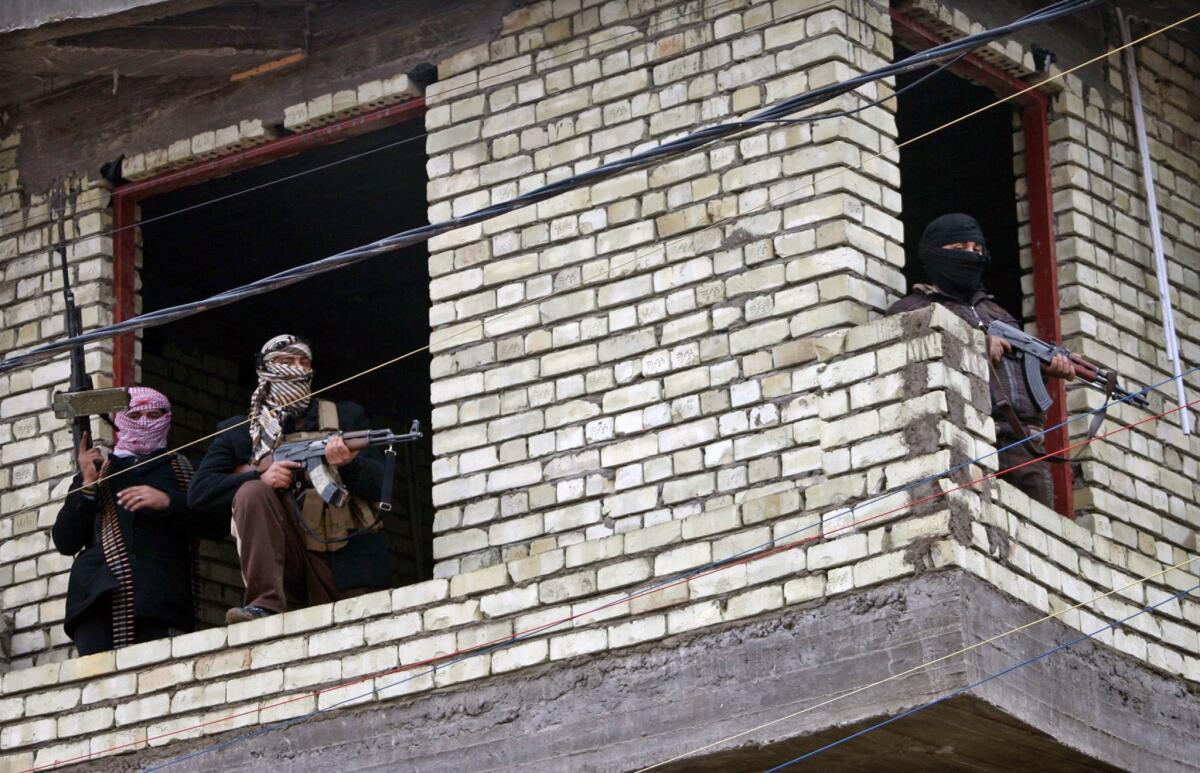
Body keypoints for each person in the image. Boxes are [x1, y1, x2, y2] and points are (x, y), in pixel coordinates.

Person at [188, 334, 391, 624]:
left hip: (345, 558)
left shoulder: (346, 417)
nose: (297, 369)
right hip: (290, 558)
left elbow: (382, 486)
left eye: (303, 362)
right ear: (265, 370)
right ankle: (264, 603)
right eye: (286, 363)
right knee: (252, 493)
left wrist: (349, 466)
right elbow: (199, 495)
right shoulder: (240, 431)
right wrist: (260, 475)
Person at [887, 213, 1074, 508]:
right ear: (935, 253)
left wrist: (1048, 366)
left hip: (1023, 441)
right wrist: (976, 345)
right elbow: (913, 370)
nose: (971, 257)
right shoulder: (913, 310)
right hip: (967, 436)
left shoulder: (998, 313)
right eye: (960, 249)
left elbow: (1015, 375)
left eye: (977, 250)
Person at [52, 387, 218, 655]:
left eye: (153, 414)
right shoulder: (99, 470)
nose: (143, 421)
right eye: (134, 414)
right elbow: (65, 540)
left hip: (161, 602)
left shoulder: (183, 469)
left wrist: (168, 502)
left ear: (167, 418)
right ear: (119, 420)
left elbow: (214, 524)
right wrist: (87, 485)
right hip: (98, 599)